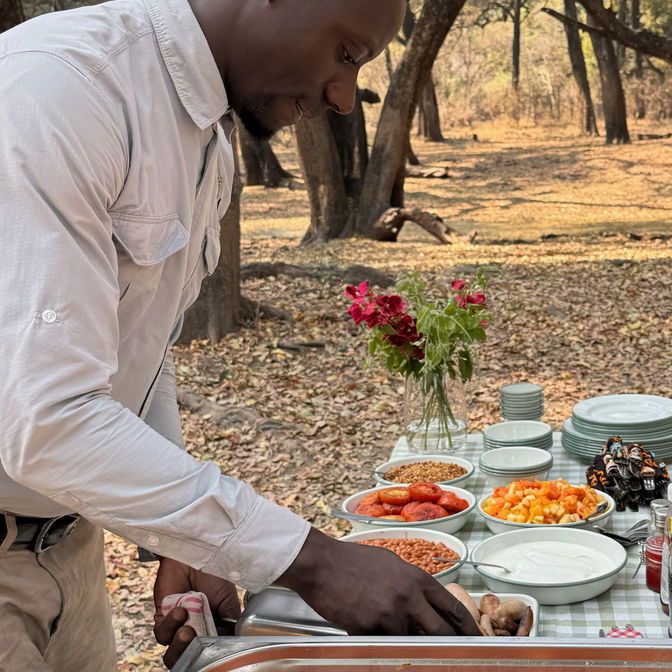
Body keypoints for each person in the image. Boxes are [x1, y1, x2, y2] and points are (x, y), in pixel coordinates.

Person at [0, 0, 481, 669]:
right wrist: (308, 560)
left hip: (66, 545)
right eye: (346, 52)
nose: (344, 98)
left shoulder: (207, 144)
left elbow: (137, 349)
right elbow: (44, 419)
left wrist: (183, 539)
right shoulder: (59, 90)